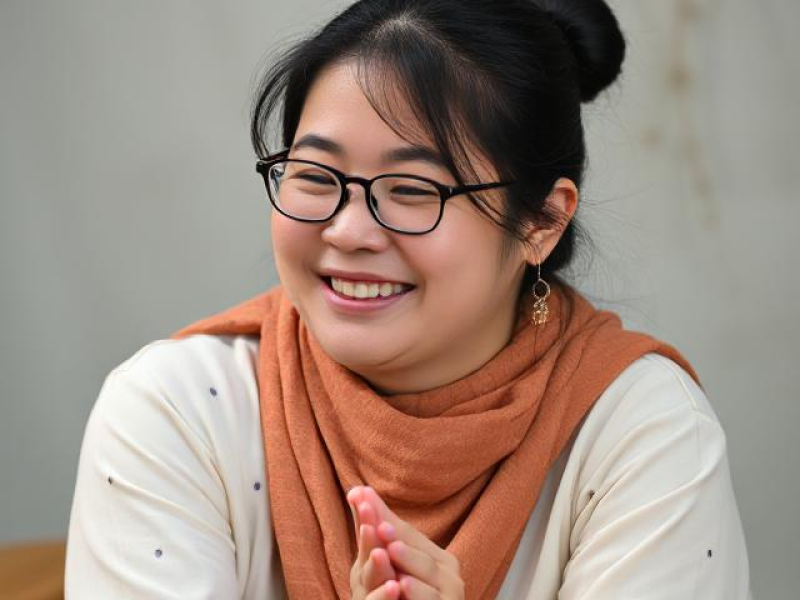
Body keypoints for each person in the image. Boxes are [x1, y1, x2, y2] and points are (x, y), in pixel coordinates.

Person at [64, 1, 753, 598]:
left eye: (415, 190)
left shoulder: (643, 434)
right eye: (314, 175)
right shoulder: (178, 414)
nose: (348, 230)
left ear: (541, 222)